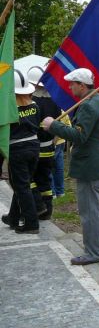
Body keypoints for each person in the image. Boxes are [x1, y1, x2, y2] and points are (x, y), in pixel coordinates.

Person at [42, 68, 99, 264]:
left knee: (89, 210)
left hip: (90, 163)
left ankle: (94, 252)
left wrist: (53, 126)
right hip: (97, 160)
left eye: (72, 84)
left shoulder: (89, 106)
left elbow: (79, 136)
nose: (69, 86)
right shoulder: (98, 99)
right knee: (95, 204)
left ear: (82, 85)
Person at [2, 71, 40, 234]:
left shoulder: (8, 110)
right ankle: (13, 216)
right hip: (34, 147)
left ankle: (31, 223)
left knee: (22, 187)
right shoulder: (35, 105)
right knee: (21, 184)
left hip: (18, 150)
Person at [27, 66, 61, 220]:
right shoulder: (54, 100)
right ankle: (47, 211)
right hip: (49, 147)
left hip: (34, 147)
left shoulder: (32, 102)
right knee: (45, 179)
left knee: (29, 179)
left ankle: (37, 207)